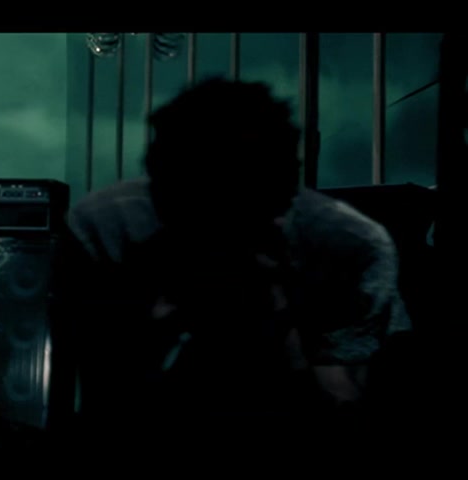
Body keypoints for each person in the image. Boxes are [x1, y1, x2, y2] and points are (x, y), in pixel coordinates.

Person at [47, 78, 410, 464]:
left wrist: (280, 319)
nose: (214, 228)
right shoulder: (104, 228)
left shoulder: (349, 248)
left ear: (285, 192)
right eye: (190, 204)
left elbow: (345, 411)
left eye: (239, 209)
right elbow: (102, 399)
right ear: (158, 185)